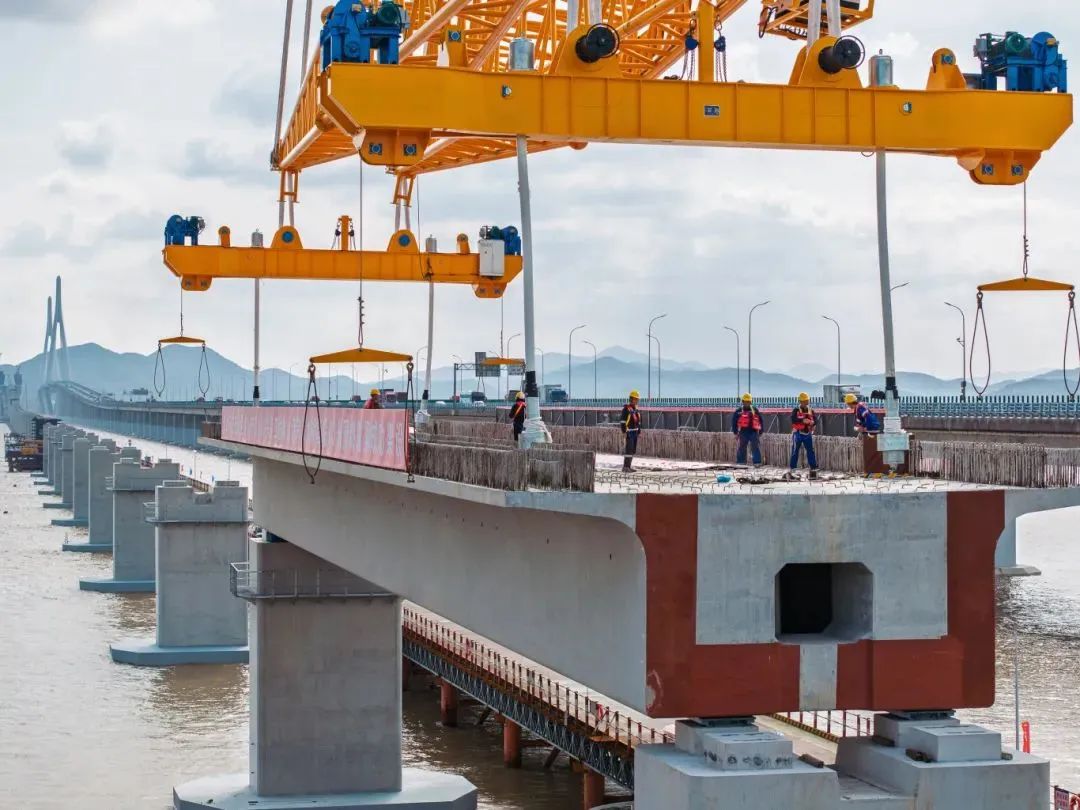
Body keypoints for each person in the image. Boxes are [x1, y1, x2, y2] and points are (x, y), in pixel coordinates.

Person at [789, 392, 818, 479]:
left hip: (807, 434)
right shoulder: (796, 410)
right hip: (797, 433)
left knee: (810, 451)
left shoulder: (811, 410)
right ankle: (793, 468)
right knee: (795, 451)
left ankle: (813, 467)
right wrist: (802, 421)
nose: (806, 402)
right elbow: (793, 419)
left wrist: (813, 422)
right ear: (800, 402)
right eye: (804, 401)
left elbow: (816, 420)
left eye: (807, 400)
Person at [731, 393, 763, 466]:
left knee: (755, 447)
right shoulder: (738, 411)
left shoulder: (755, 410)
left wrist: (761, 431)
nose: (747, 403)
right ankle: (741, 462)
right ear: (742, 402)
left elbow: (760, 421)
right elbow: (734, 422)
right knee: (742, 447)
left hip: (753, 432)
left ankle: (757, 462)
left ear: (751, 402)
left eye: (748, 401)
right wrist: (735, 432)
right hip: (743, 432)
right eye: (745, 401)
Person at [620, 390, 642, 472]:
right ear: (631, 399)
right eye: (635, 399)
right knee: (629, 450)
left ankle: (629, 466)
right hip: (629, 432)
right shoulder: (626, 409)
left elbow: (638, 422)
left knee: (633, 450)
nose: (637, 401)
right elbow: (623, 421)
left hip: (635, 432)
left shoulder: (636, 410)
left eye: (637, 399)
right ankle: (625, 467)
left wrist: (639, 430)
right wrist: (624, 431)